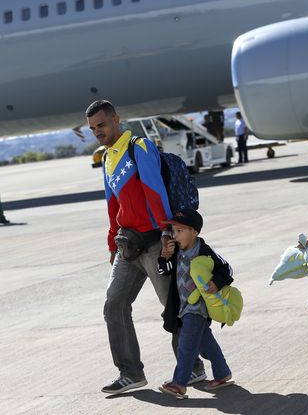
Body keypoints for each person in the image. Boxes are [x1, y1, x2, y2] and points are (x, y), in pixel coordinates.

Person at [85, 100, 205, 395]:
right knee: (114, 305)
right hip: (128, 244)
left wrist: (168, 232)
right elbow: (112, 202)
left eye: (101, 125)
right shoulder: (107, 157)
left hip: (155, 241)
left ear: (116, 119)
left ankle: (193, 367)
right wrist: (112, 239)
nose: (97, 131)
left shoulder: (138, 147)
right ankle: (130, 373)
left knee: (172, 307)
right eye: (92, 128)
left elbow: (155, 191)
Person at [156, 209, 234, 399]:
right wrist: (164, 258)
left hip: (199, 307)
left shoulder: (204, 251)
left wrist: (216, 283)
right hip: (182, 306)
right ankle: (222, 373)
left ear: (194, 232)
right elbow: (163, 272)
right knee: (204, 343)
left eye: (180, 230)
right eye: (174, 230)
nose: (175, 235)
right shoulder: (175, 251)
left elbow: (227, 269)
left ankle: (179, 383)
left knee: (186, 345)